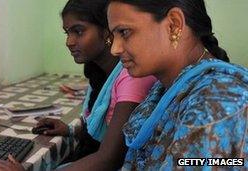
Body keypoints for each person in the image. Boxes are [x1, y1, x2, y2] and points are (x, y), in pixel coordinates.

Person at [0, 0, 156, 170]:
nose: (69, 42)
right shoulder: (99, 71)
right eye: (67, 32)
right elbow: (106, 133)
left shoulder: (131, 77)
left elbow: (109, 159)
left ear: (106, 31)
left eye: (78, 31)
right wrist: (71, 130)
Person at [105, 0, 248, 170]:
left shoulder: (215, 102)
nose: (115, 49)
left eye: (124, 32)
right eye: (113, 36)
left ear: (174, 24)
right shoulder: (168, 87)